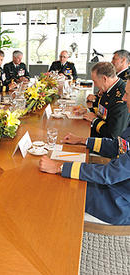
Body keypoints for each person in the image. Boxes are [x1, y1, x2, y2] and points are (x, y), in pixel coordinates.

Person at [38, 75, 130, 225]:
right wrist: (82, 140)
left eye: (127, 94)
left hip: (119, 201)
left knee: (56, 186)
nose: (124, 99)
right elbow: (116, 146)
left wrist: (58, 167)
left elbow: (109, 174)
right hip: (116, 185)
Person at [75, 62, 129, 139]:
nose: (95, 85)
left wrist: (94, 120)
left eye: (95, 81)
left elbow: (113, 134)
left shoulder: (121, 98)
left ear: (104, 79)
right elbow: (105, 111)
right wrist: (87, 110)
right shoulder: (110, 88)